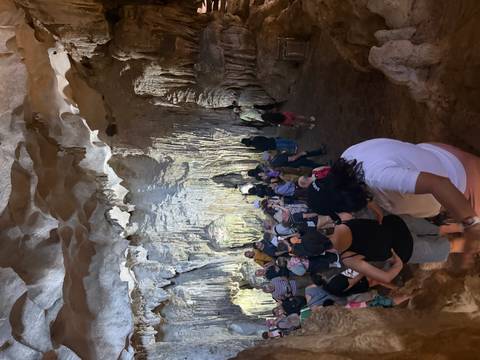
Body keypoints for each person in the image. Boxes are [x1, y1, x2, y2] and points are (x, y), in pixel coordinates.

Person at [341, 138, 480, 264]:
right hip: (439, 156)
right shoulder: (347, 160)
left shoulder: (378, 177)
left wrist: (472, 226)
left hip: (463, 180)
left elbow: (440, 184)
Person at [318, 214, 467, 284]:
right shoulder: (342, 222)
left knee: (452, 246)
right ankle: (472, 223)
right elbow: (371, 210)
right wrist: (380, 216)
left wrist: (398, 264)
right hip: (398, 224)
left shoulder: (348, 258)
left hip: (406, 249)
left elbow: (386, 277)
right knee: (440, 229)